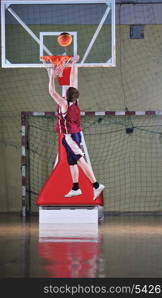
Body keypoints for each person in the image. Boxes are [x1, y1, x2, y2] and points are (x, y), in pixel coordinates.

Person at [47, 56, 105, 200]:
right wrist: (72, 64)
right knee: (71, 161)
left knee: (80, 160)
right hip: (75, 134)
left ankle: (96, 185)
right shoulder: (75, 101)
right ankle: (75, 187)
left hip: (70, 136)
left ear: (67, 95)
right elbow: (73, 80)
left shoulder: (64, 104)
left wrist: (51, 76)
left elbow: (51, 92)